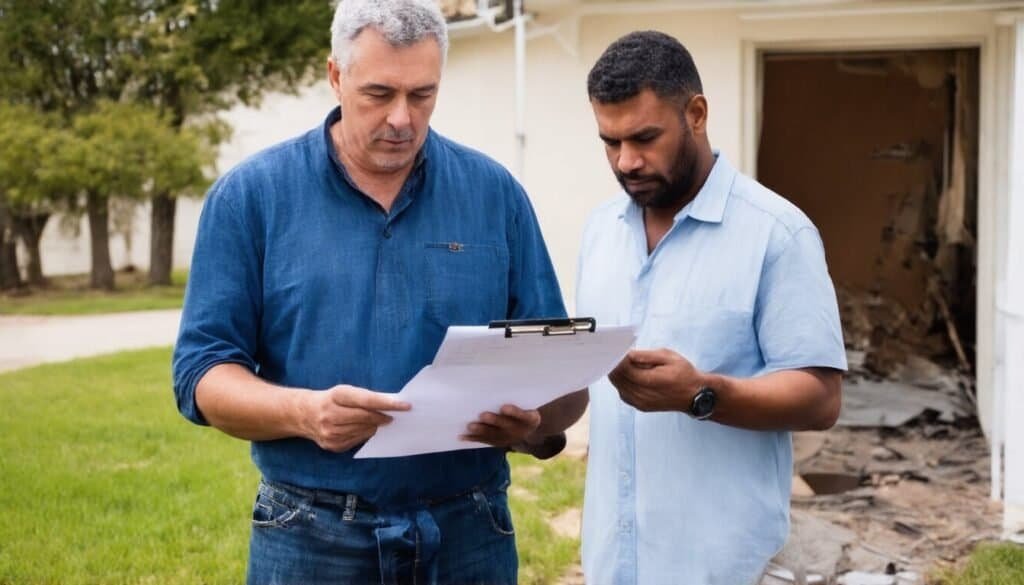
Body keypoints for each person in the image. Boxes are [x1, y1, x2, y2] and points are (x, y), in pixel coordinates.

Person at [172, 1, 585, 583]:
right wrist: (304, 413)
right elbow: (202, 375)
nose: (402, 118)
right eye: (379, 93)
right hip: (309, 533)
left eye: (422, 95)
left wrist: (534, 424)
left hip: (470, 527)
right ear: (335, 75)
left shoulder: (496, 194)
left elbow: (563, 383)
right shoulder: (250, 198)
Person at [577, 30, 848, 584]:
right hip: (611, 563)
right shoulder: (599, 232)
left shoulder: (778, 234)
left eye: (645, 137)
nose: (626, 161)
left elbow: (821, 398)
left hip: (724, 567)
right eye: (610, 142)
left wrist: (701, 395)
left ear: (696, 113)